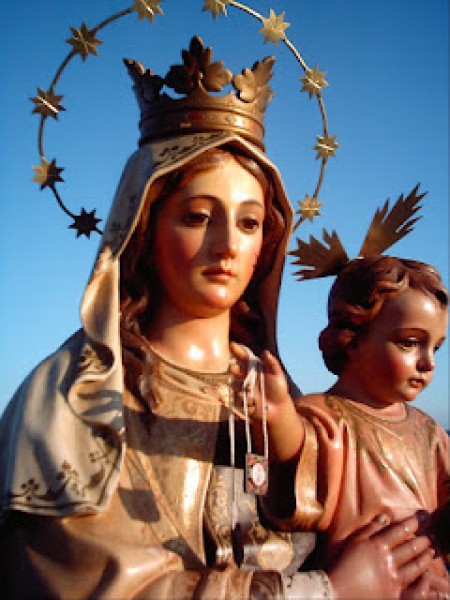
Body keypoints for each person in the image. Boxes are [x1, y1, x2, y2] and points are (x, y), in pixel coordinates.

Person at [0, 36, 439, 599]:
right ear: (144, 228)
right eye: (198, 216)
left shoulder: (270, 389)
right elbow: (82, 583)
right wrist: (329, 590)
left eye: (250, 223)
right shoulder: (77, 394)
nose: (228, 244)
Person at [232, 192, 449, 596]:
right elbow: (298, 451)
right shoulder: (326, 415)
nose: (428, 363)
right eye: (409, 343)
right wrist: (277, 417)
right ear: (351, 338)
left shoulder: (429, 433)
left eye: (436, 347)